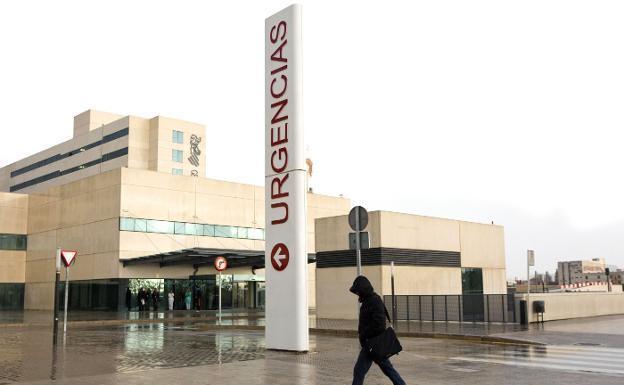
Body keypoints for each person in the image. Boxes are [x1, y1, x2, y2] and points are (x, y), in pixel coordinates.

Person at [349, 276, 406, 385]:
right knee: (387, 369)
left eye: (358, 291)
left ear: (363, 289)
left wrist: (365, 334)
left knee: (359, 371)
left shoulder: (374, 301)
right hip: (371, 343)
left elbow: (379, 324)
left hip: (373, 344)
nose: (357, 294)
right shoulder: (367, 301)